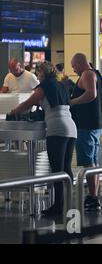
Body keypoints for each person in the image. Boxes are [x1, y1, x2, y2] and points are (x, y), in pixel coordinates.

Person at [10, 62, 77, 217]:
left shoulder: (44, 86)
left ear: (42, 73)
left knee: (57, 169)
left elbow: (28, 103)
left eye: (38, 72)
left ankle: (58, 207)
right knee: (66, 168)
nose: (37, 75)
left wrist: (13, 111)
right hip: (70, 126)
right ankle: (67, 203)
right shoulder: (61, 85)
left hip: (57, 128)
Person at [70, 53, 102, 212]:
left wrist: (71, 102)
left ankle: (93, 196)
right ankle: (94, 195)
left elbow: (91, 94)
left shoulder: (87, 74)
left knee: (88, 162)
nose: (73, 70)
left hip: (86, 125)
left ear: (80, 63)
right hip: (94, 123)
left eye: (74, 66)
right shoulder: (96, 73)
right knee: (93, 161)